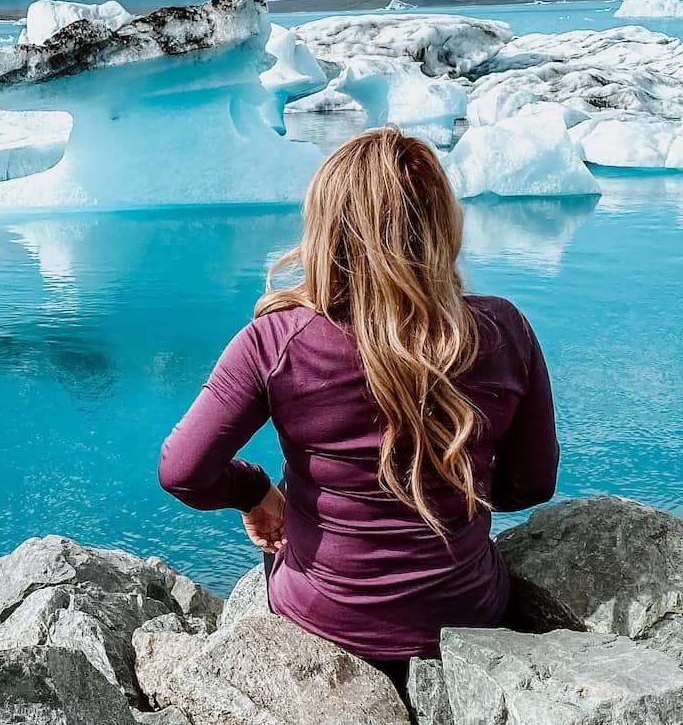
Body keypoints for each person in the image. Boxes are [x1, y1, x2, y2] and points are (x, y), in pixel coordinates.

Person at [158, 128, 559, 696]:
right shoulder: (502, 328)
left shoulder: (275, 341)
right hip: (467, 610)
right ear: (441, 225)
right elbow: (533, 484)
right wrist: (453, 487)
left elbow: (181, 470)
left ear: (325, 229)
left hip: (323, 617)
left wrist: (254, 491)